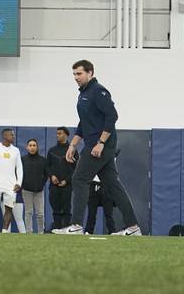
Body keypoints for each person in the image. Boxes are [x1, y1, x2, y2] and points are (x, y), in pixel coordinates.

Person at [53, 60, 142, 236]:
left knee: (79, 178)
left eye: (79, 74)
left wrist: (101, 143)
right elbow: (83, 123)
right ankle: (133, 227)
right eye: (74, 74)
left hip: (100, 146)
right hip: (93, 145)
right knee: (113, 185)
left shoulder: (98, 91)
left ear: (90, 73)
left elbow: (112, 116)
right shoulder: (83, 94)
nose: (76, 77)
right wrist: (73, 144)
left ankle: (77, 225)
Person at [47, 127, 76, 229]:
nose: (57, 135)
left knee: (66, 209)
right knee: (56, 209)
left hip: (67, 186)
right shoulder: (51, 150)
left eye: (60, 133)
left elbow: (75, 169)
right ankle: (57, 229)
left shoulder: (72, 151)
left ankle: (67, 229)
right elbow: (47, 166)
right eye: (57, 133)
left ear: (66, 135)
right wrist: (52, 176)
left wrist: (67, 181)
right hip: (54, 186)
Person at [21, 138, 49, 233]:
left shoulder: (43, 160)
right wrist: (23, 184)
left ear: (37, 147)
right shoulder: (23, 160)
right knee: (28, 212)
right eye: (30, 145)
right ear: (27, 147)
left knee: (40, 213)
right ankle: (29, 232)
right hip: (26, 190)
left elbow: (46, 174)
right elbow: (19, 173)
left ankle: (41, 232)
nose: (32, 147)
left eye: (34, 145)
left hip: (39, 191)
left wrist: (42, 184)